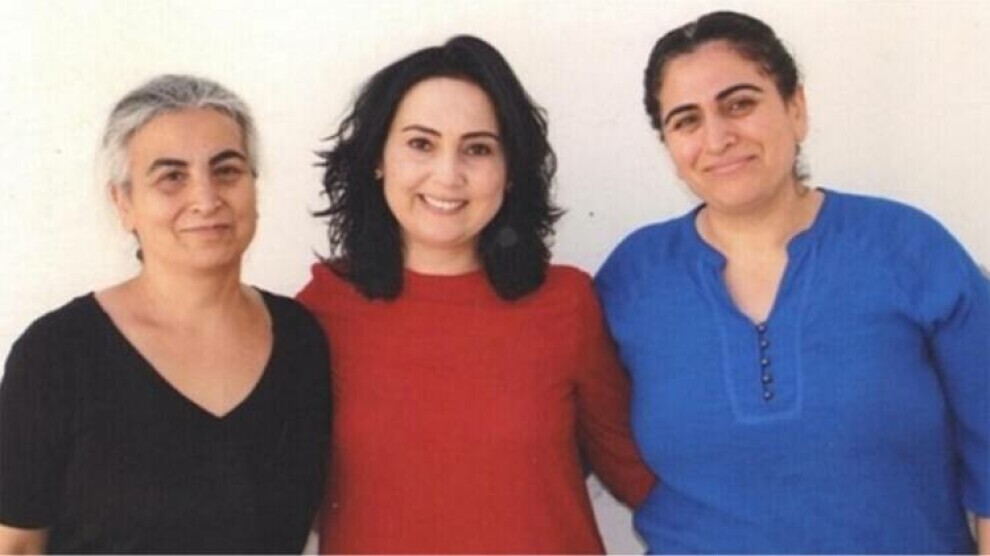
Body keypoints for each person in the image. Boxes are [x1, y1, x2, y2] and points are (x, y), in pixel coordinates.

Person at [595, 10, 990, 554]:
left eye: (740, 104)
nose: (718, 137)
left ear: (796, 109)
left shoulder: (907, 249)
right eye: (686, 120)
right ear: (668, 146)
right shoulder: (633, 280)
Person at [298, 35, 655, 553]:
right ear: (377, 158)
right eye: (421, 144)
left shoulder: (566, 302)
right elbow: (268, 498)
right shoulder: (322, 309)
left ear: (510, 172)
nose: (448, 175)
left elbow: (636, 471)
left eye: (478, 148)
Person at [0, 75, 331, 553]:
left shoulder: (302, 340)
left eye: (227, 170)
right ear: (124, 203)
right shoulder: (57, 355)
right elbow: (16, 546)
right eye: (172, 177)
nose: (206, 199)